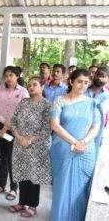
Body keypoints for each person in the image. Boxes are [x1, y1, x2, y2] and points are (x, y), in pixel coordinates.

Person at [50, 69, 101, 221]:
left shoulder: (92, 103)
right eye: (79, 82)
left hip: (85, 151)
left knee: (80, 192)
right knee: (62, 189)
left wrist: (83, 142)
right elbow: (54, 125)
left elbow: (96, 126)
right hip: (63, 149)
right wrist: (74, 142)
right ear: (71, 82)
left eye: (86, 83)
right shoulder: (60, 100)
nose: (83, 85)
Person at [8, 77, 52, 218]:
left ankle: (32, 205)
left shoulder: (47, 105)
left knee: (34, 176)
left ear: (42, 87)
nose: (31, 87)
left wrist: (29, 140)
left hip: (36, 147)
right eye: (29, 85)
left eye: (35, 84)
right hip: (20, 145)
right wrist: (20, 137)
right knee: (22, 174)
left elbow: (46, 128)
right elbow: (13, 121)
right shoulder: (23, 102)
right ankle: (21, 203)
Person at [0, 66, 29, 200]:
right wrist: (4, 122)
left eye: (11, 75)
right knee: (3, 157)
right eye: (6, 75)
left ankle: (14, 188)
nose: (8, 78)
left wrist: (9, 124)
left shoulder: (23, 91)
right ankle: (1, 185)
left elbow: (24, 111)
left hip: (15, 129)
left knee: (13, 158)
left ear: (17, 76)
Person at [85, 66, 109, 155]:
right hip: (77, 130)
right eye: (98, 74)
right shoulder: (83, 89)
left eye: (103, 76)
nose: (99, 78)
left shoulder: (107, 96)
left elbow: (101, 111)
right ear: (94, 74)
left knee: (90, 161)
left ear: (108, 79)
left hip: (95, 133)